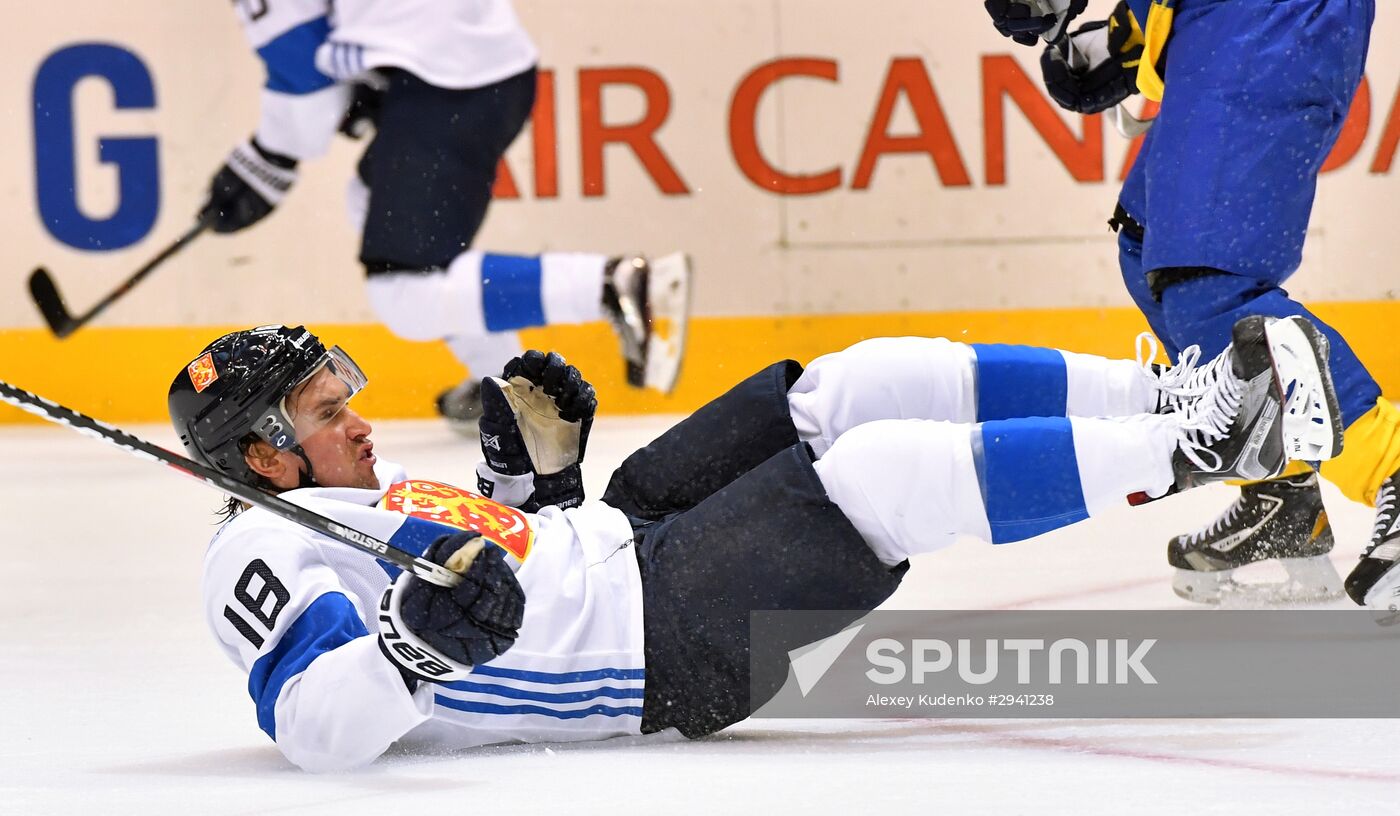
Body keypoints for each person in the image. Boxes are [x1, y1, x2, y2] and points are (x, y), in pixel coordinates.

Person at [169, 315, 1336, 771]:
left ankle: (1164, 400)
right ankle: (1199, 449)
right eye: (329, 413)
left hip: (624, 535)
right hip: (653, 647)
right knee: (866, 477)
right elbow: (319, 728)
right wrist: (412, 653)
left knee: (849, 385)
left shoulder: (358, 494)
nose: (361, 419)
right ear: (262, 455)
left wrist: (537, 477)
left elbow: (502, 571)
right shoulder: (256, 557)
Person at [982, 0, 1400, 606]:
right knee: (1150, 243)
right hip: (1227, 23)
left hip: (1264, 18)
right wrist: (1134, 31)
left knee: (1208, 284)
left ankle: (1390, 463)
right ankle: (1280, 491)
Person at [202, 0, 691, 428]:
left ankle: (612, 285)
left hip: (447, 83)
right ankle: (511, 385)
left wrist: (266, 161)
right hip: (480, 65)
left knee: (407, 294)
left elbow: (304, 82)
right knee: (368, 201)